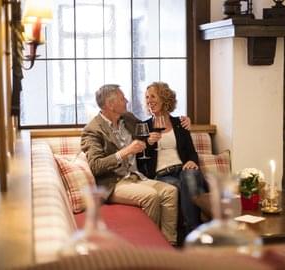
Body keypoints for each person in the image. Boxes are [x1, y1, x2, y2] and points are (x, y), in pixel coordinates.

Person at [81, 84, 189, 245]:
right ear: (110, 105)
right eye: (122, 98)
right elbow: (96, 166)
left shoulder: (128, 118)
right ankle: (148, 245)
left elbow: (150, 126)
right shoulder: (93, 130)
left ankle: (168, 244)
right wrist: (126, 151)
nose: (127, 100)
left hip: (137, 176)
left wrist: (182, 120)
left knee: (170, 191)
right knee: (151, 196)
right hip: (114, 183)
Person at [137, 81, 208, 238]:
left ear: (164, 98)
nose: (149, 100)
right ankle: (195, 233)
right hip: (162, 175)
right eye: (147, 97)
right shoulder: (144, 127)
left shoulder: (180, 123)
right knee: (190, 188)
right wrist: (148, 143)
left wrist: (192, 161)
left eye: (153, 96)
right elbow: (140, 160)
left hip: (182, 169)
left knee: (190, 176)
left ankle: (189, 234)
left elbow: (191, 152)